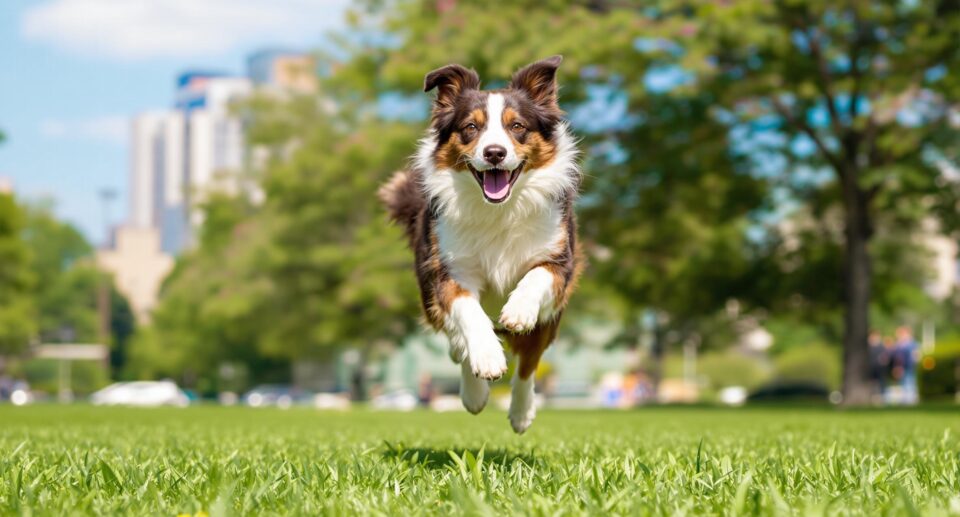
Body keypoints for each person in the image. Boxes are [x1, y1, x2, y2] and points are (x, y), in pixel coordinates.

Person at [893, 326, 920, 405]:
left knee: (910, 381)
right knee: (903, 382)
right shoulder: (899, 344)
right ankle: (905, 398)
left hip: (909, 365)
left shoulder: (912, 343)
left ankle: (911, 398)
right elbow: (896, 357)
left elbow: (916, 355)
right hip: (901, 367)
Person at [867, 330, 888, 402]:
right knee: (871, 384)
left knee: (881, 383)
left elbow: (885, 357)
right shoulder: (868, 347)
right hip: (870, 368)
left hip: (880, 369)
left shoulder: (881, 346)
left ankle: (882, 398)